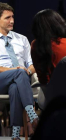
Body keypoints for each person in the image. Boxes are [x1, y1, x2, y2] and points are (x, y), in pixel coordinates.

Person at [0, 2, 39, 140]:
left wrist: (26, 71)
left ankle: (16, 134)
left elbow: (32, 64)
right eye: (7, 18)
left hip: (20, 79)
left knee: (15, 87)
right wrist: (14, 70)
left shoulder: (22, 39)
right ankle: (32, 116)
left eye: (13, 17)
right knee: (18, 73)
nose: (12, 21)